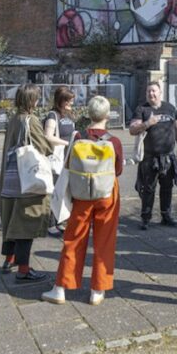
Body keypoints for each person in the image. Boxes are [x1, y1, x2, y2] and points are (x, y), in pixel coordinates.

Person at [41, 96, 124, 306]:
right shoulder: (114, 141)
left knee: (74, 239)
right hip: (107, 193)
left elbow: (68, 164)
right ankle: (98, 290)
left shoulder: (78, 137)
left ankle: (60, 288)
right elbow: (118, 170)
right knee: (104, 241)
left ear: (89, 114)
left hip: (81, 194)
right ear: (107, 116)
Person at [0, 83, 53, 283]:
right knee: (25, 224)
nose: (38, 101)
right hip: (26, 181)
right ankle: (23, 270)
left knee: (11, 220)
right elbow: (44, 148)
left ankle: (9, 259)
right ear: (32, 101)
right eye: (37, 98)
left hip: (9, 178)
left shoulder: (14, 119)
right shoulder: (31, 120)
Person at [129, 81, 177, 230]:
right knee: (148, 189)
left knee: (167, 188)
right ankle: (145, 218)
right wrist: (148, 123)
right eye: (148, 91)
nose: (151, 94)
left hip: (168, 156)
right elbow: (132, 130)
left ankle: (166, 216)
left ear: (160, 92)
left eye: (154, 91)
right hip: (149, 158)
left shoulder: (170, 108)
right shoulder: (142, 109)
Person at [43, 86, 77, 235]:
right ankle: (51, 224)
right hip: (56, 159)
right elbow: (48, 136)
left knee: (65, 192)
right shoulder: (53, 115)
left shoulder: (70, 115)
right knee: (55, 191)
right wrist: (67, 143)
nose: (71, 103)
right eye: (68, 100)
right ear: (60, 100)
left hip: (68, 158)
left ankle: (60, 221)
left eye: (72, 100)